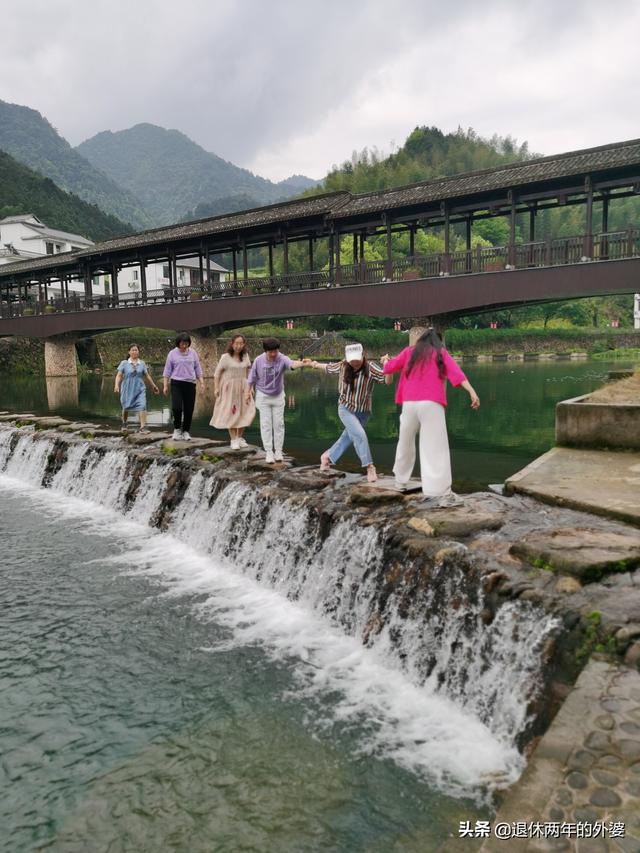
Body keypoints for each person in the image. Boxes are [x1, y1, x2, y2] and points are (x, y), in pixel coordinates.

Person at [381, 327, 480, 506]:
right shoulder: (440, 352)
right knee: (434, 447)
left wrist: (385, 361)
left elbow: (389, 367)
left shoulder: (409, 352)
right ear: (437, 341)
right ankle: (437, 490)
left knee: (405, 441)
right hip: (432, 403)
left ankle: (400, 482)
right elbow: (456, 374)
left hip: (409, 403)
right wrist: (472, 391)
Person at [306, 343, 388, 482]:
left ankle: (327, 457)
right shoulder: (343, 365)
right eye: (351, 360)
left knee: (347, 437)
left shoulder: (371, 367)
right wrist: (312, 364)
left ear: (363, 355)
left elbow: (386, 380)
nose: (354, 362)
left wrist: (387, 365)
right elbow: (327, 367)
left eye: (357, 359)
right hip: (345, 409)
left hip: (364, 412)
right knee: (360, 435)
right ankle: (370, 466)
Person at [245, 337, 304, 463]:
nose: (273, 354)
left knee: (279, 424)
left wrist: (303, 363)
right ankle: (269, 452)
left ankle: (278, 451)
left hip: (278, 396)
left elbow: (292, 365)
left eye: (275, 351)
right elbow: (251, 378)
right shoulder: (259, 360)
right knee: (266, 424)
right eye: (270, 352)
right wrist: (247, 393)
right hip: (263, 396)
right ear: (265, 351)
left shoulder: (282, 358)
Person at [210, 334, 255, 449]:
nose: (238, 346)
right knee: (232, 413)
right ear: (232, 343)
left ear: (244, 344)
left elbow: (249, 372)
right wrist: (216, 388)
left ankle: (239, 437)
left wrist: (251, 387)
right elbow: (217, 374)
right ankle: (233, 439)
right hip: (229, 388)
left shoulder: (245, 356)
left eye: (241, 343)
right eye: (236, 343)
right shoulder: (225, 357)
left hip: (244, 387)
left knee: (247, 412)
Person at [162, 332, 205, 441]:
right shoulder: (172, 354)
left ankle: (185, 431)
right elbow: (167, 370)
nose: (184, 346)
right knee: (177, 408)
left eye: (186, 343)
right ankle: (177, 429)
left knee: (189, 409)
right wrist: (165, 385)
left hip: (190, 384)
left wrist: (202, 382)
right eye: (182, 343)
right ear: (178, 343)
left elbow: (197, 368)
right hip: (177, 383)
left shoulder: (193, 353)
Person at [114, 343, 159, 433]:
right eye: (133, 350)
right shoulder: (124, 363)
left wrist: (154, 385)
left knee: (142, 405)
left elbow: (147, 375)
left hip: (140, 388)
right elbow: (119, 375)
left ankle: (143, 427)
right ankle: (124, 423)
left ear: (138, 352)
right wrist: (116, 385)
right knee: (125, 406)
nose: (134, 351)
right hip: (127, 388)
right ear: (129, 352)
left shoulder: (142, 363)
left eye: (136, 350)